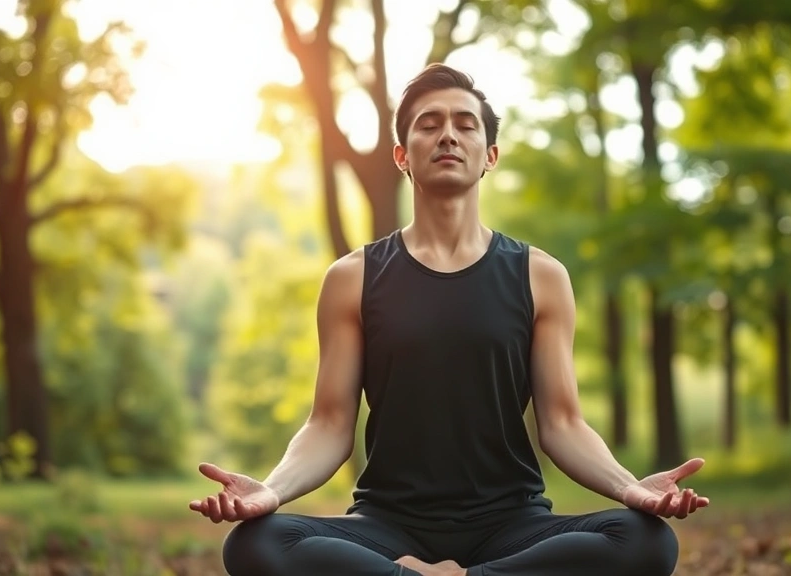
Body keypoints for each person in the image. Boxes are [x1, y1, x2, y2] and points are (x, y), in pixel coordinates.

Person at [190, 63, 709, 576]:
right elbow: (328, 424)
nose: (448, 136)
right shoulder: (353, 278)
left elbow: (563, 423)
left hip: (512, 523)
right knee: (256, 544)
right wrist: (272, 490)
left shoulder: (540, 276)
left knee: (645, 541)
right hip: (388, 523)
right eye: (428, 124)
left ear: (490, 155)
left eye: (465, 124)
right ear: (402, 155)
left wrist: (629, 487)